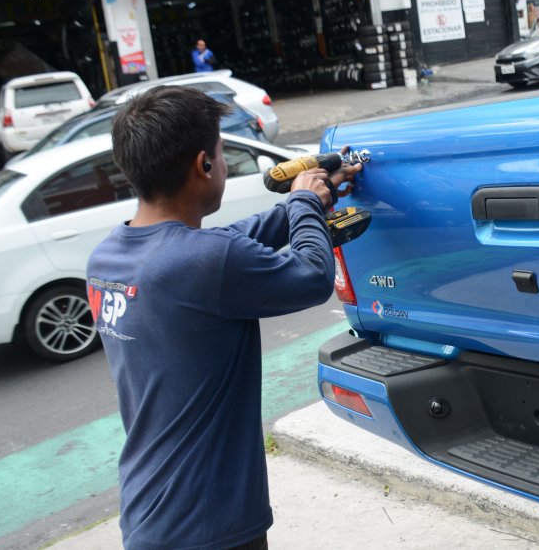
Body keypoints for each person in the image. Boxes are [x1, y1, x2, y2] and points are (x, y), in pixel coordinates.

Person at [87, 85, 360, 549]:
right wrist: (303, 204)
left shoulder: (107, 258)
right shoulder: (204, 261)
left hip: (148, 514)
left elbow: (226, 243)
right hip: (209, 525)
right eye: (221, 152)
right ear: (204, 165)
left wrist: (306, 202)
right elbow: (313, 276)